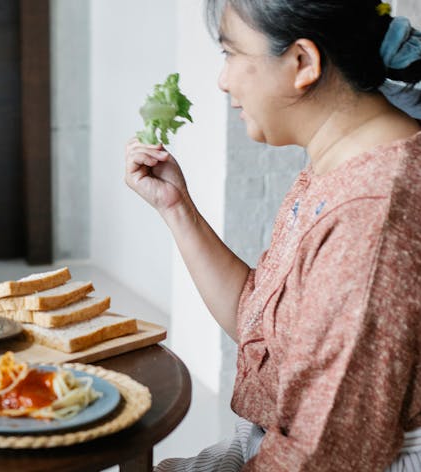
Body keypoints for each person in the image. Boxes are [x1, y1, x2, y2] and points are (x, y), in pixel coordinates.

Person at [125, 1, 421, 470]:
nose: (223, 81)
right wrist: (176, 208)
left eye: (232, 54)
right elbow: (263, 324)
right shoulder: (342, 161)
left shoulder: (371, 215)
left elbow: (323, 455)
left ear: (302, 62)